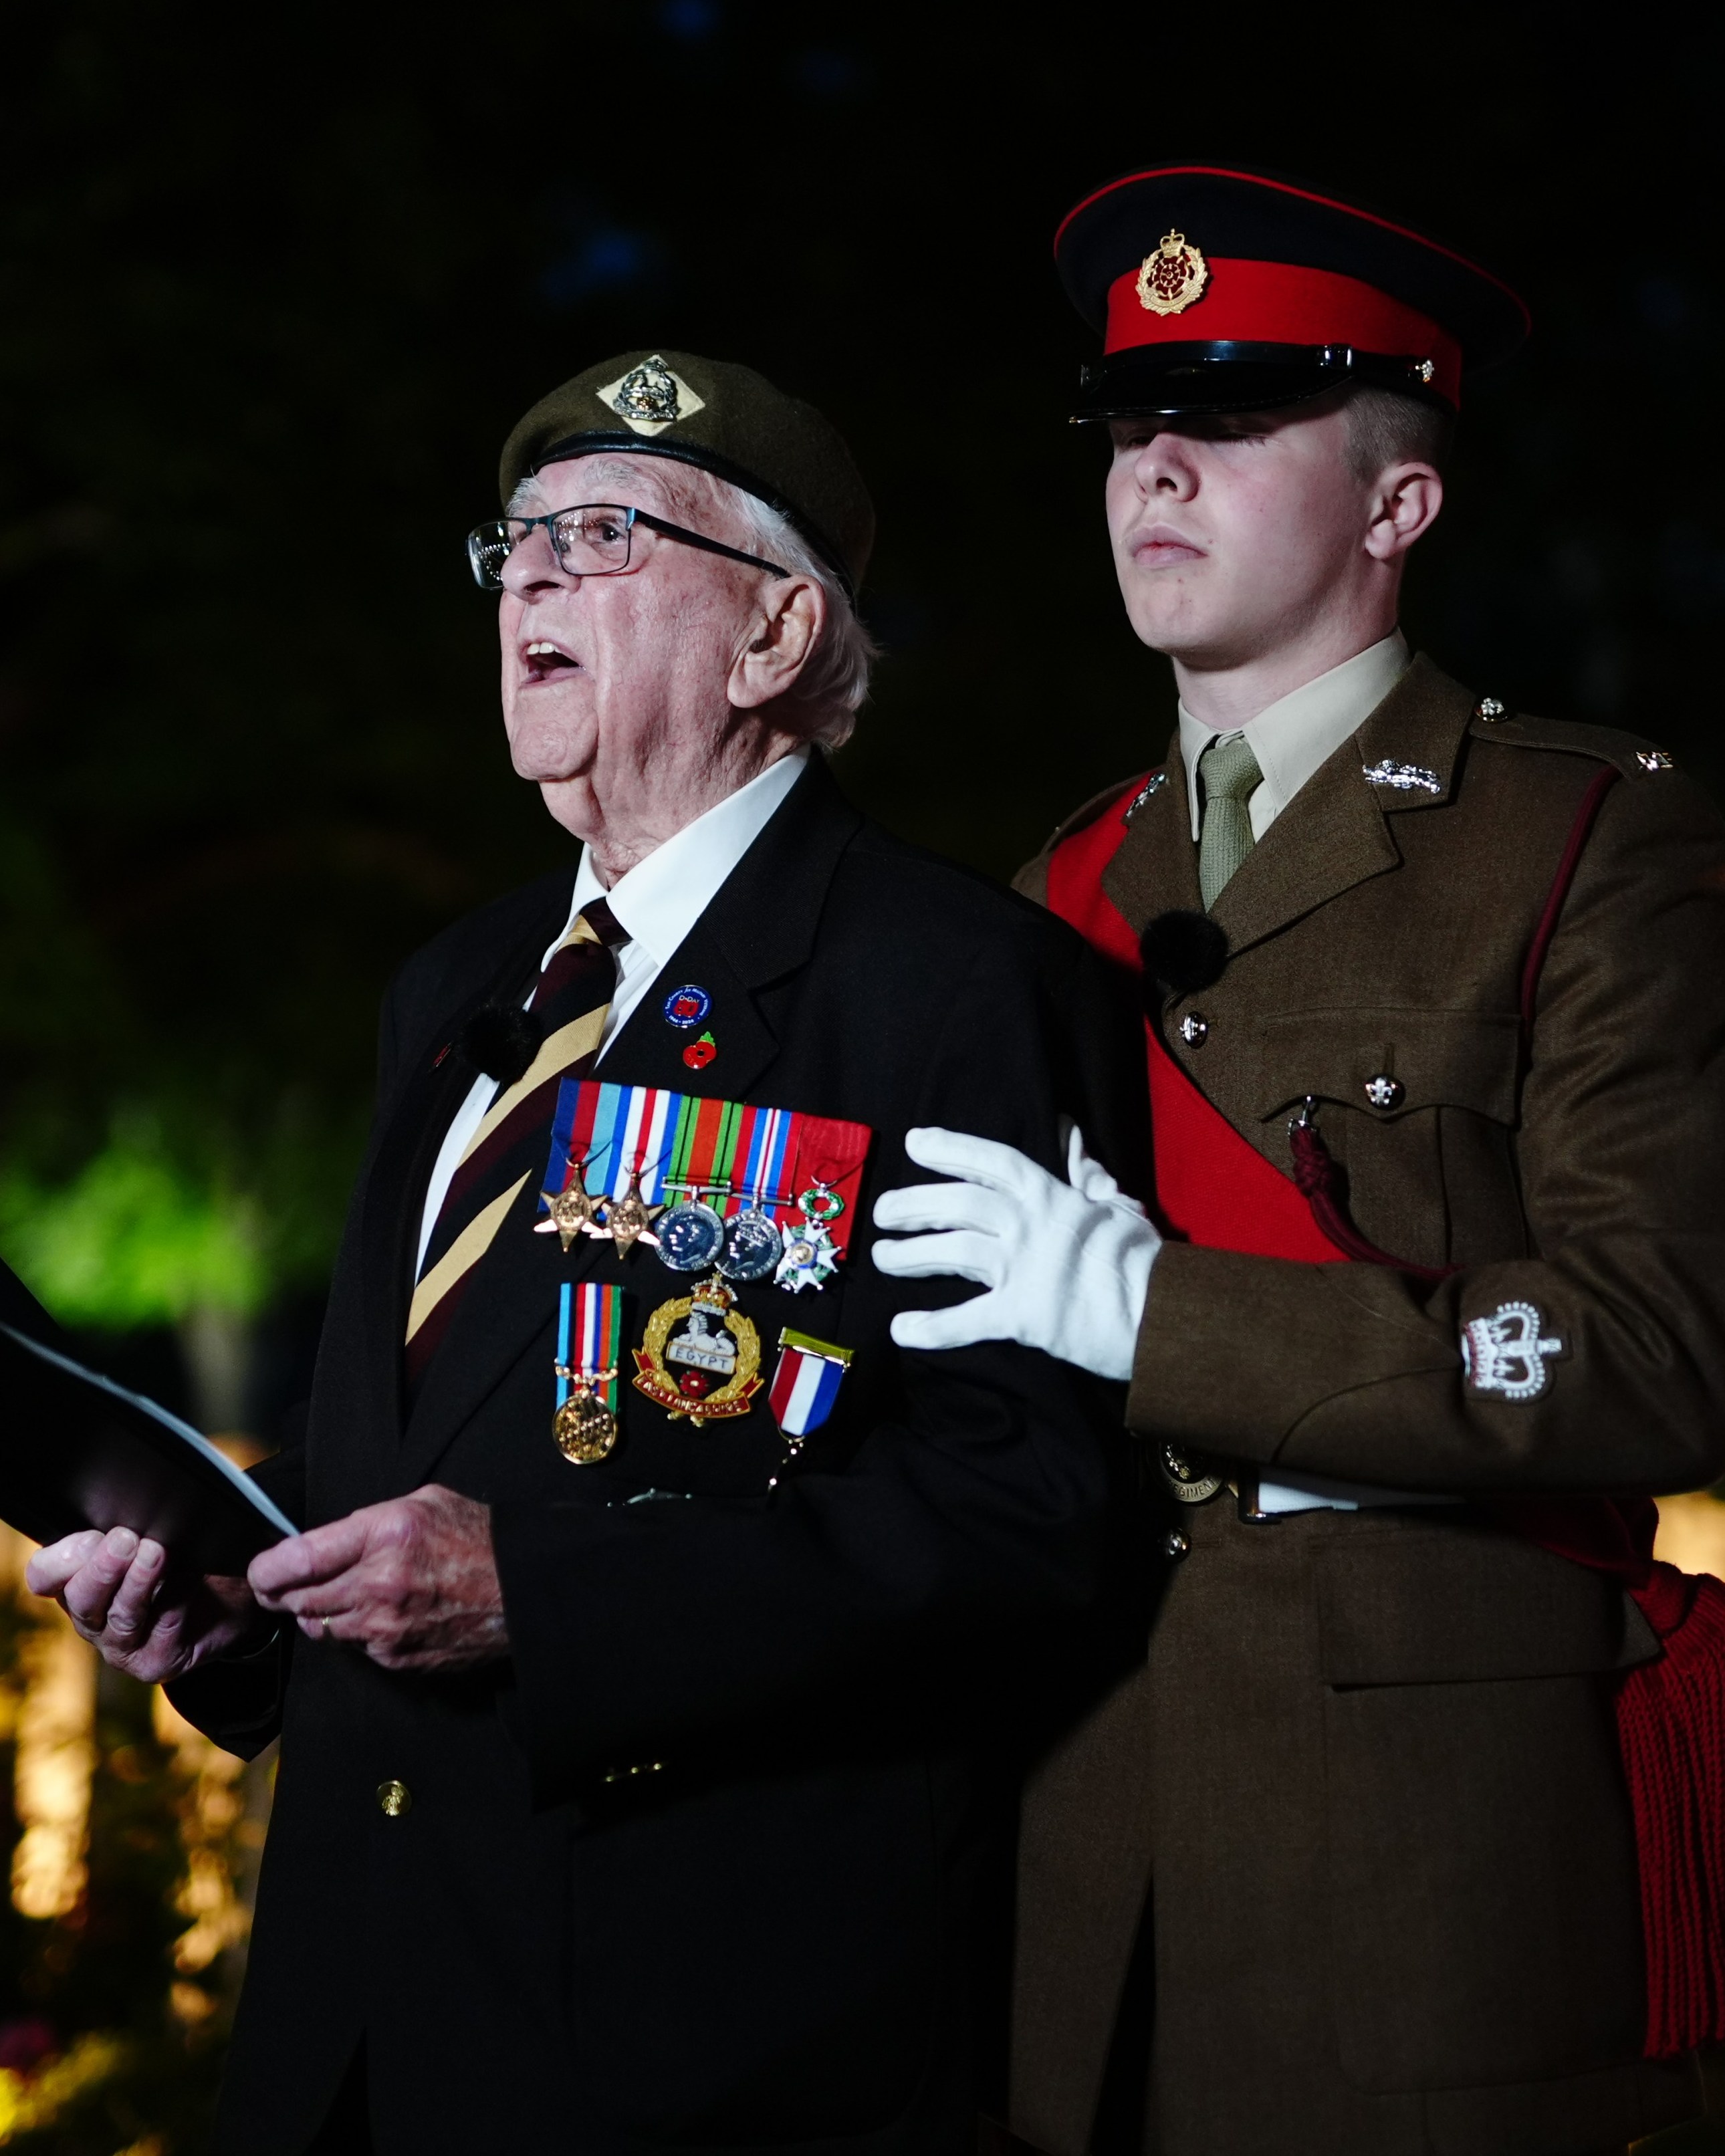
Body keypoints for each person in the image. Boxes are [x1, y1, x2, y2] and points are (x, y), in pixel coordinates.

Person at [27, 350, 1140, 2155]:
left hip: (703, 2041)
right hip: (358, 2028)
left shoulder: (953, 987)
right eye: (516, 544)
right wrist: (243, 1600)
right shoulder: (454, 989)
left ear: (776, 632)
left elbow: (1031, 1521)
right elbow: (466, 1445)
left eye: (606, 534)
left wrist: (543, 1596)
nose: (531, 577)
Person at [872, 168, 1725, 2156]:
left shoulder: (1591, 840)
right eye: (1126, 428)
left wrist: (1150, 1311)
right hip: (1083, 1837)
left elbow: (1659, 1348)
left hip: (1430, 1856)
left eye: (1233, 423)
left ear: (1396, 503)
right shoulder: (1058, 885)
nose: (1149, 467)